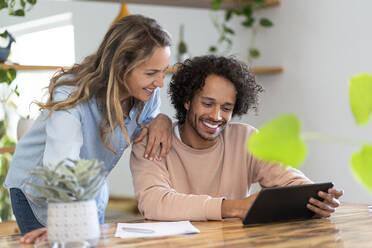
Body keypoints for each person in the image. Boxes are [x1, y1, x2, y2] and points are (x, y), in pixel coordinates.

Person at [4, 14, 173, 243]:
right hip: (41, 190)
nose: (160, 82)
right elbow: (60, 165)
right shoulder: (73, 94)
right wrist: (64, 221)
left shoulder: (146, 95)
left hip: (90, 191)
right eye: (151, 73)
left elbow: (150, 122)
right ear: (122, 66)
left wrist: (162, 119)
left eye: (163, 71)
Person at [130, 55, 343, 221]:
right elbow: (154, 202)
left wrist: (316, 200)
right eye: (207, 104)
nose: (216, 116)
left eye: (226, 108)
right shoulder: (152, 141)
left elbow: (289, 180)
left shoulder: (245, 139)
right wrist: (234, 207)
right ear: (187, 101)